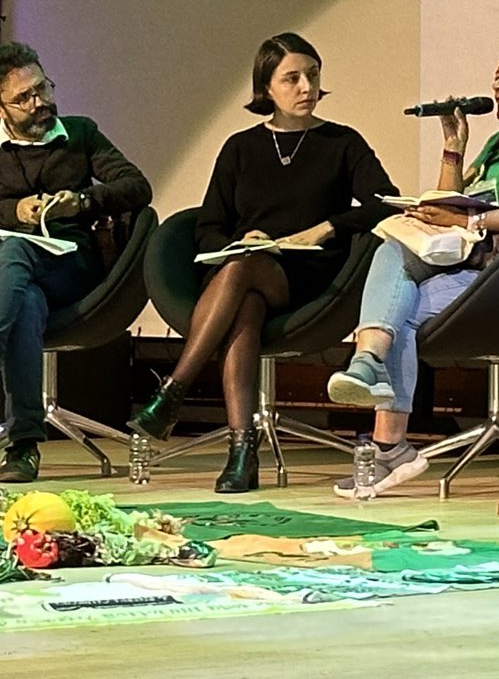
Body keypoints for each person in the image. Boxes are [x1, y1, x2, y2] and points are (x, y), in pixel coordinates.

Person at [324, 41, 499, 497]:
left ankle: (381, 415)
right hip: (470, 272)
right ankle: (373, 374)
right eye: (497, 74)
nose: (497, 84)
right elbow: (447, 204)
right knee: (392, 260)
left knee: (400, 306)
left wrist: (472, 220)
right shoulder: (495, 146)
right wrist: (453, 149)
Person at [128, 33, 399, 491]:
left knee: (242, 274)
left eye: (312, 76)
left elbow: (385, 201)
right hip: (251, 271)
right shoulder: (240, 147)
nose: (306, 88)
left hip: (312, 274)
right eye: (291, 78)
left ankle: (174, 388)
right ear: (266, 88)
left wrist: (326, 227)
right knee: (245, 302)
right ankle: (241, 452)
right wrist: (244, 238)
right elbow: (208, 226)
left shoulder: (341, 142)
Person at [0, 41, 153, 484]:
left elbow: (136, 186)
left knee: (17, 255)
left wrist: (82, 201)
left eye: (43, 88)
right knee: (23, 295)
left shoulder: (80, 133)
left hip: (71, 269)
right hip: (5, 275)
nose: (41, 102)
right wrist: (15, 212)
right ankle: (24, 446)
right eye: (25, 98)